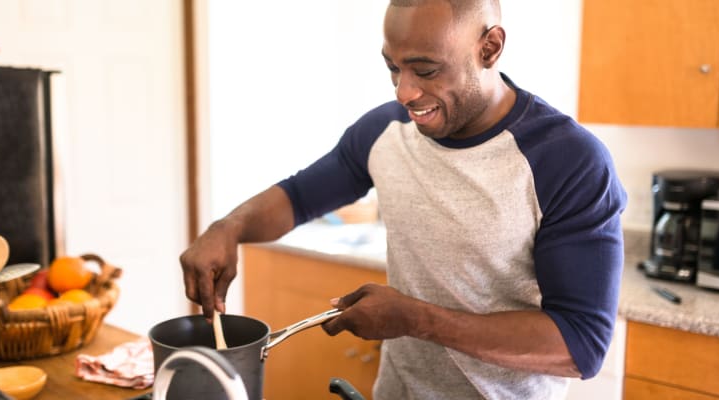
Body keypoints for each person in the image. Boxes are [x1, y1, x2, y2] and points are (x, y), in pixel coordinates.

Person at [179, 0, 627, 398]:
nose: (404, 92)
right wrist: (229, 227)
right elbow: (297, 196)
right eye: (393, 68)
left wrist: (416, 320)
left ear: (489, 47)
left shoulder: (568, 161)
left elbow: (580, 345)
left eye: (426, 70)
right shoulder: (385, 130)